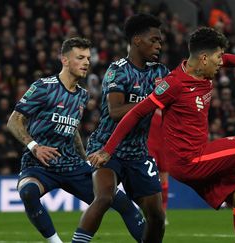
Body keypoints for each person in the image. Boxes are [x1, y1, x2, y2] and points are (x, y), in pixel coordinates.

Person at [89, 27, 235, 243]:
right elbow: (136, 113)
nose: (221, 62)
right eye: (217, 57)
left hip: (197, 156)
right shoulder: (174, 84)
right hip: (189, 160)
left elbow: (227, 59)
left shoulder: (203, 67)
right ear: (203, 59)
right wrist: (108, 150)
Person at [7, 37, 145, 243]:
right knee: (28, 192)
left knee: (122, 203)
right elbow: (14, 121)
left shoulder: (82, 95)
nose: (86, 62)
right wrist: (34, 147)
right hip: (39, 165)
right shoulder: (44, 87)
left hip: (72, 165)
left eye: (88, 58)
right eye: (80, 58)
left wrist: (85, 158)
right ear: (64, 60)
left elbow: (72, 131)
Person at [72, 14, 169, 243]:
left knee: (156, 215)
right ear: (137, 40)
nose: (158, 45)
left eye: (160, 42)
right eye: (154, 40)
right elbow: (115, 111)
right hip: (107, 147)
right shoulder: (118, 70)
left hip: (138, 152)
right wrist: (152, 101)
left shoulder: (160, 73)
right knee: (104, 197)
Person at [147, 109, 169, 224]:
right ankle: (150, 212)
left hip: (165, 148)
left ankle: (163, 213)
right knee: (152, 182)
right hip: (150, 147)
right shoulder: (149, 107)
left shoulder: (170, 111)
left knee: (164, 183)